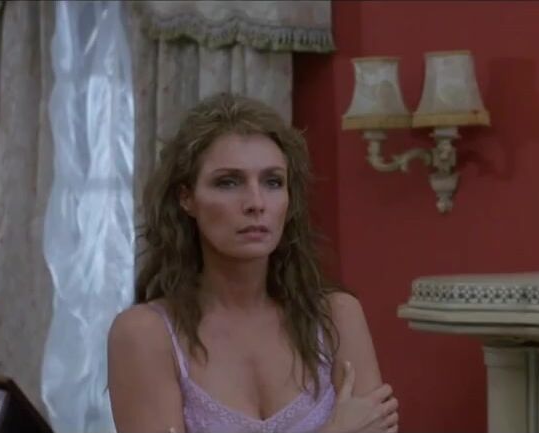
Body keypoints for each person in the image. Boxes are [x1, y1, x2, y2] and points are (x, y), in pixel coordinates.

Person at [107, 93, 398, 433]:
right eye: (228, 182)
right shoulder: (146, 334)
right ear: (187, 198)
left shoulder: (336, 317)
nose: (256, 203)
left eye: (273, 182)